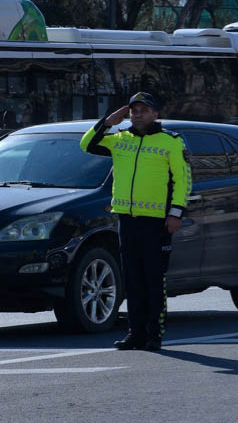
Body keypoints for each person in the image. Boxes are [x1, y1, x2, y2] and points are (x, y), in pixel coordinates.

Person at [80, 92, 191, 351]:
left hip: (156, 222)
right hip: (127, 220)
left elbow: (183, 180)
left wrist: (175, 213)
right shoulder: (120, 139)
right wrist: (108, 122)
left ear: (155, 114)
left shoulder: (171, 141)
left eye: (144, 110)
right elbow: (86, 145)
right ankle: (136, 333)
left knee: (153, 279)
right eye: (134, 111)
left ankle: (154, 334)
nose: (138, 115)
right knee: (132, 280)